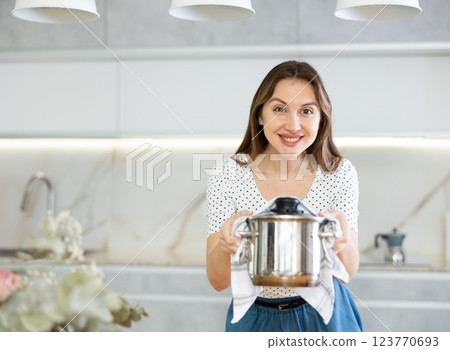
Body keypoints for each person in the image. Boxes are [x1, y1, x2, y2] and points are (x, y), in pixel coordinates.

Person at [206, 61, 363, 332]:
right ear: (260, 115)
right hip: (255, 320)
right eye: (280, 109)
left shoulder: (339, 172)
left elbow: (347, 272)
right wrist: (224, 244)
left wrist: (343, 237)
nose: (293, 125)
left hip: (326, 318)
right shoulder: (227, 174)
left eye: (306, 111)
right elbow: (218, 281)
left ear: (321, 117)